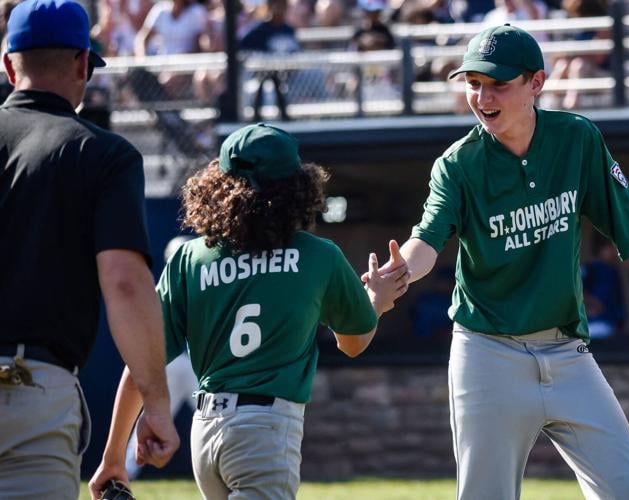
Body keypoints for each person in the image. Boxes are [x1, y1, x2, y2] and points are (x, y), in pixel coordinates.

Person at [366, 24, 629, 500]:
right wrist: (397, 275)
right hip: (487, 355)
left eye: (499, 83)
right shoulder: (457, 165)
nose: (483, 96)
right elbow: (426, 241)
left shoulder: (576, 139)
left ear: (536, 83)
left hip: (567, 353)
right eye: (474, 83)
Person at [89, 123, 409, 499]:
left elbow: (143, 361)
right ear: (299, 188)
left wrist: (112, 456)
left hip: (206, 431)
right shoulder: (319, 255)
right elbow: (353, 343)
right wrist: (379, 301)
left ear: (217, 186)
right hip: (265, 430)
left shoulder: (189, 258)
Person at [0, 1, 179, 498]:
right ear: (83, 64)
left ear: (8, 65)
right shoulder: (104, 154)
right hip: (32, 388)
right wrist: (156, 403)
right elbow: (124, 283)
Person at [124, 236, 199, 480]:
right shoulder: (191, 283)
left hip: (184, 363)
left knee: (153, 415)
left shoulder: (176, 285)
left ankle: (124, 469)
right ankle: (124, 469)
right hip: (180, 362)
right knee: (215, 417)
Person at [581, 237, 625, 339]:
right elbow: (574, 289)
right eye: (611, 248)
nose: (614, 252)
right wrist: (590, 302)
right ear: (601, 248)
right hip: (595, 325)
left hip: (612, 325)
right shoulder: (591, 267)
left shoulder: (613, 270)